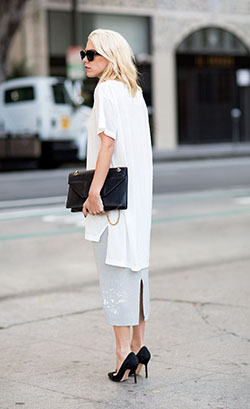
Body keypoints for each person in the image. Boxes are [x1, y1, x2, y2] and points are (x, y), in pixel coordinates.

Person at [81, 29, 153, 383]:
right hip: (137, 201)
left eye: (91, 53)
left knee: (114, 272)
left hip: (114, 203)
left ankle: (122, 353)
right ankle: (140, 348)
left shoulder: (106, 90)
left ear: (110, 55)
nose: (85, 59)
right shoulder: (134, 92)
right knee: (136, 271)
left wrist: (93, 192)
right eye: (84, 53)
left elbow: (107, 145)